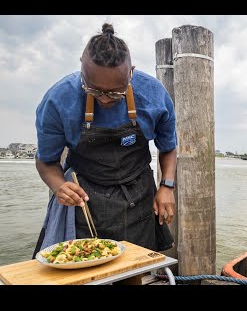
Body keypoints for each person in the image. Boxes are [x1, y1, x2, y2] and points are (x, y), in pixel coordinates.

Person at [33, 23, 177, 256]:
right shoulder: (58, 101)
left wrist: (166, 187)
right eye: (94, 90)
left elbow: (168, 148)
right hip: (85, 200)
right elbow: (46, 161)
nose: (105, 100)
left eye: (116, 92)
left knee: (135, 269)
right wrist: (59, 186)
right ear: (82, 66)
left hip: (139, 194)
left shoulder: (154, 95)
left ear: (131, 72)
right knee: (84, 266)